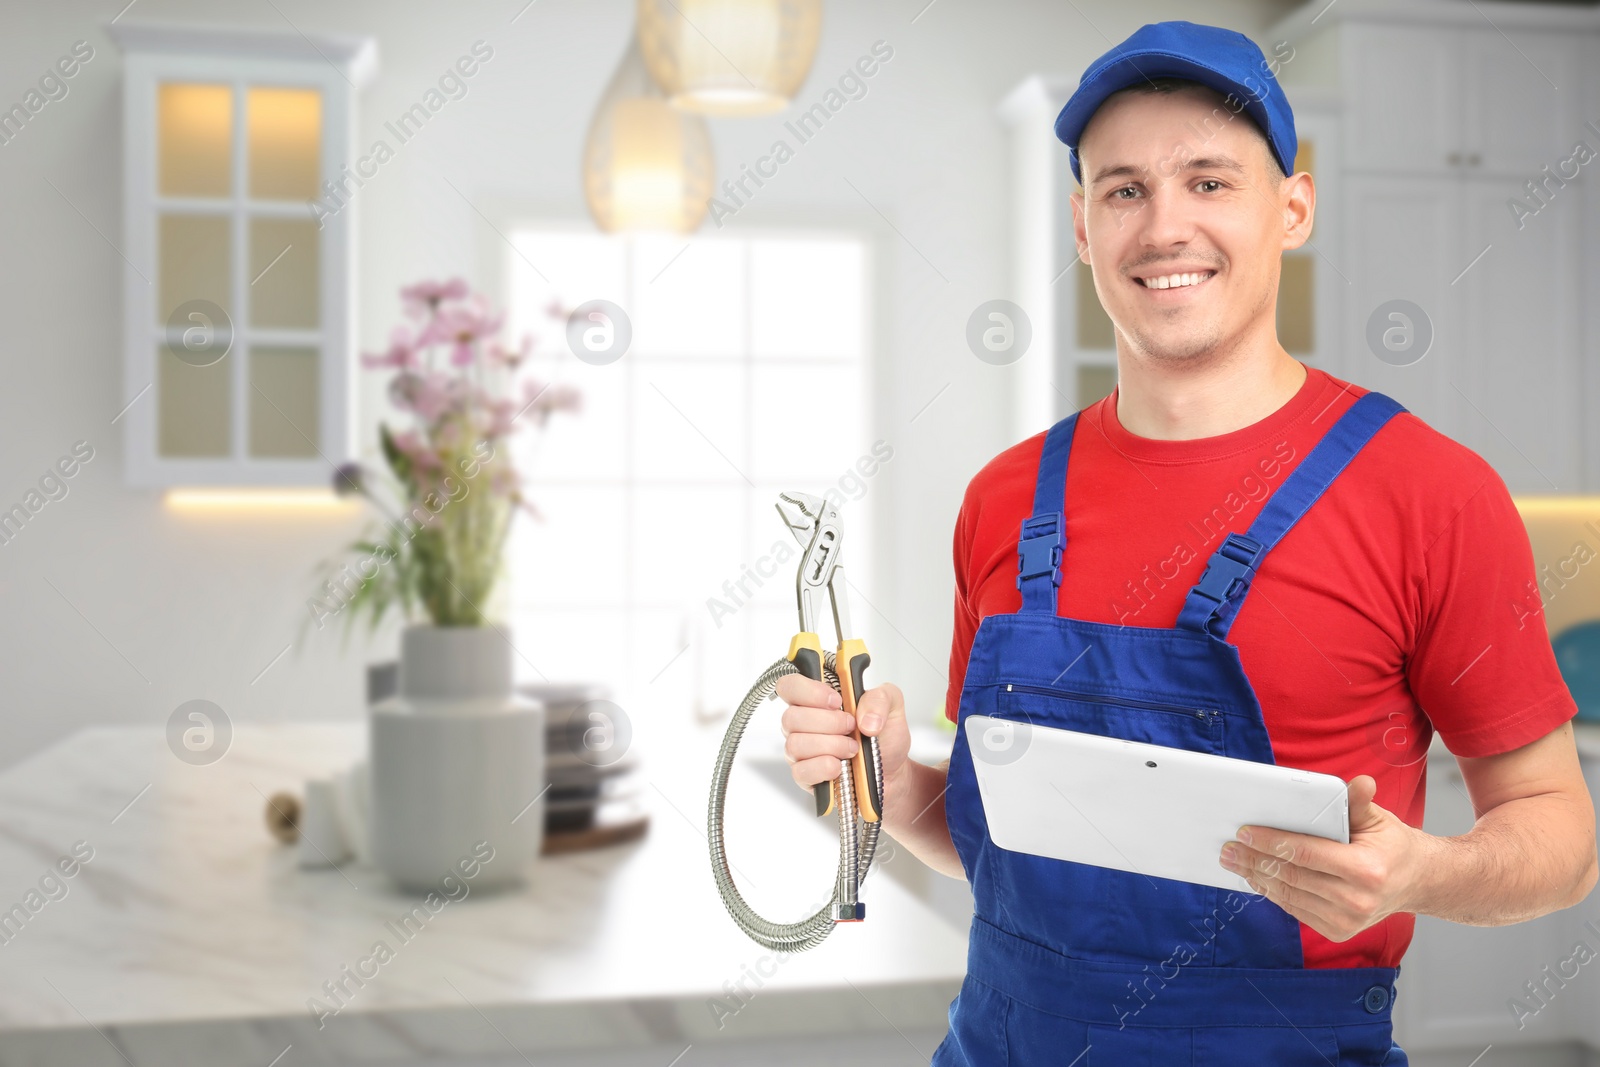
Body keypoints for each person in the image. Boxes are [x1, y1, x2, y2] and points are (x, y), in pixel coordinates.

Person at [776, 19, 1597, 1066]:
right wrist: (888, 783)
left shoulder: (1430, 494)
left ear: (1290, 207)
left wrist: (1417, 872)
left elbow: (1559, 836)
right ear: (1081, 226)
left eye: (1208, 181)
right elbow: (993, 848)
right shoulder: (1003, 499)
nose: (1164, 226)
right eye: (1123, 189)